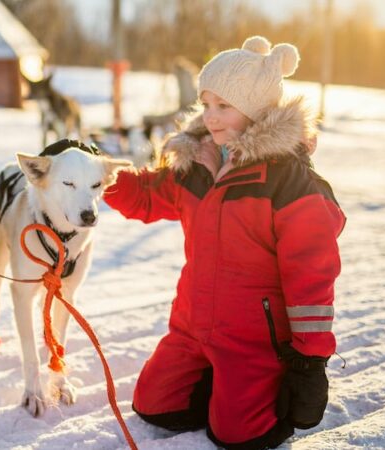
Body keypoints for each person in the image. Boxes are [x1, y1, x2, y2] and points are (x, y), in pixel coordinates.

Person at [104, 36, 346, 449]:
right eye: (206, 104)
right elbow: (146, 195)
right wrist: (96, 172)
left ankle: (261, 389)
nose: (211, 118)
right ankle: (218, 382)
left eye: (224, 106)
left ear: (255, 112)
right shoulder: (198, 162)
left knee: (236, 435)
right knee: (153, 403)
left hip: (252, 336)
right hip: (192, 325)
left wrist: (309, 361)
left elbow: (311, 276)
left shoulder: (286, 182)